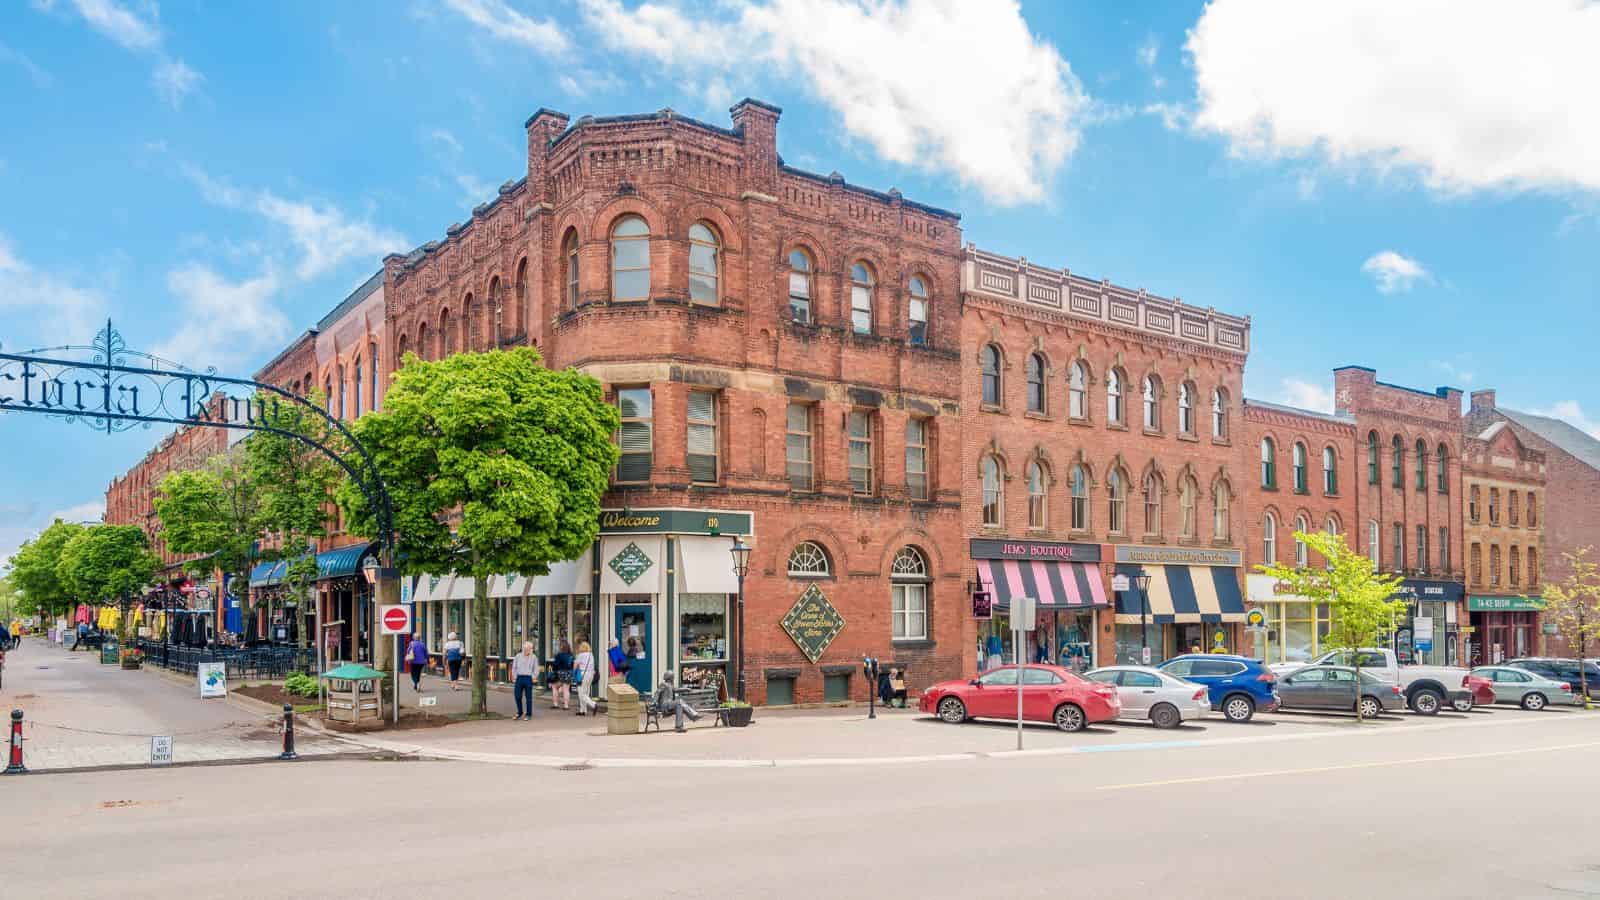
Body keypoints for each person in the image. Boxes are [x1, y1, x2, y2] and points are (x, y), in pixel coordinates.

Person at [511, 641, 539, 721]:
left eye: (530, 648)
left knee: (528, 697)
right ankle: (519, 712)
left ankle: (528, 714)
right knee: (517, 696)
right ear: (523, 648)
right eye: (526, 648)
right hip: (519, 678)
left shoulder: (534, 657)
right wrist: (515, 676)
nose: (528, 650)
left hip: (528, 678)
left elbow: (536, 669)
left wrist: (533, 677)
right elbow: (514, 667)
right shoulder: (518, 656)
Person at [573, 640, 597, 716]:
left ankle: (593, 704)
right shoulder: (591, 655)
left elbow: (575, 665)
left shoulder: (581, 655)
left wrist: (574, 672)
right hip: (591, 675)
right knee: (586, 692)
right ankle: (583, 710)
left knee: (581, 693)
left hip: (582, 675)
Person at [551, 640, 574, 710]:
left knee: (554, 687)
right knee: (566, 690)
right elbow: (572, 665)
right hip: (569, 673)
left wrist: (554, 671)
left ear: (561, 647)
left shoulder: (559, 655)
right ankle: (566, 706)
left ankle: (555, 704)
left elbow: (555, 665)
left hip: (560, 673)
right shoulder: (571, 655)